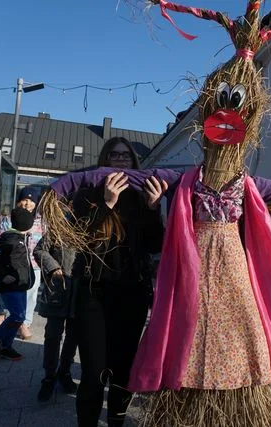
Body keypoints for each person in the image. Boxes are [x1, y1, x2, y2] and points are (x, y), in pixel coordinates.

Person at [72, 136, 165, 426]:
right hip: (94, 291)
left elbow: (154, 245)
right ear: (105, 159)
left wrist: (152, 209)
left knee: (123, 369)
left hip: (132, 292)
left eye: (127, 156)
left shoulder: (140, 194)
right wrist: (106, 204)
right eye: (115, 155)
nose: (122, 160)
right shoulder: (88, 190)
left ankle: (116, 422)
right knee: (94, 372)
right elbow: (81, 238)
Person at [0, 186, 43, 340]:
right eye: (24, 200)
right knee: (12, 294)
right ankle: (3, 312)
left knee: (31, 295)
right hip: (12, 265)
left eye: (31, 201)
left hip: (33, 265)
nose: (27, 203)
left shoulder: (41, 221)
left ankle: (25, 324)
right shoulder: (9, 219)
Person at [0, 207, 35, 361]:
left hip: (21, 286)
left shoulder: (19, 238)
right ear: (26, 224)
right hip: (11, 286)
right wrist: (5, 277)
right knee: (17, 316)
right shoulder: (10, 240)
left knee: (19, 317)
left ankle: (6, 346)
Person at [33, 234, 79, 402]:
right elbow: (39, 250)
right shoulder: (57, 228)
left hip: (81, 293)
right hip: (58, 291)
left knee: (73, 336)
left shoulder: (91, 227)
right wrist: (52, 267)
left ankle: (64, 371)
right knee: (52, 335)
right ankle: (49, 376)